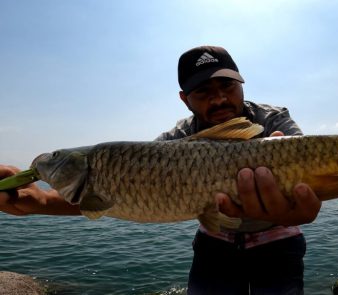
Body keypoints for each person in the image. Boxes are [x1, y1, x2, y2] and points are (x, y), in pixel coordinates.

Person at [0, 45, 321, 294]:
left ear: (241, 84)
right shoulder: (175, 141)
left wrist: (304, 199)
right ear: (185, 99)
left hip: (279, 241)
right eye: (204, 92)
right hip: (216, 243)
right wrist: (39, 203)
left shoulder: (274, 119)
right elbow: (121, 190)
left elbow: (313, 173)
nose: (220, 98)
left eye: (227, 86)